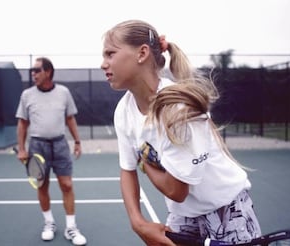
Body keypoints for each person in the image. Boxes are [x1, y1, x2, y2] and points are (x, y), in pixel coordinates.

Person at [100, 20, 262, 245]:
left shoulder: (179, 109)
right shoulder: (124, 111)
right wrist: (138, 223)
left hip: (226, 210)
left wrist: (145, 162)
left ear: (142, 53)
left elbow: (176, 190)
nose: (103, 64)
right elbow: (127, 169)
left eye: (110, 54)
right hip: (183, 214)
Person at [15, 57, 87, 245]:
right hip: (37, 146)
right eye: (32, 70)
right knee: (42, 185)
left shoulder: (63, 92)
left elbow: (70, 118)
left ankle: (71, 228)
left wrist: (77, 142)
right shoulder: (27, 95)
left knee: (67, 185)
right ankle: (49, 224)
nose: (33, 73)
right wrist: (22, 149)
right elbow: (22, 123)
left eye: (37, 70)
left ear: (48, 72)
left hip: (60, 145)